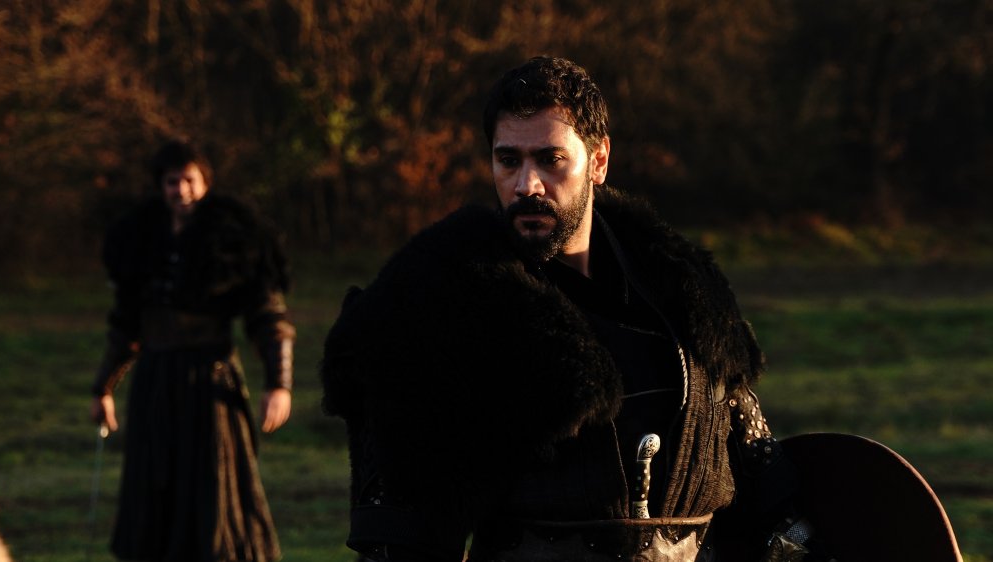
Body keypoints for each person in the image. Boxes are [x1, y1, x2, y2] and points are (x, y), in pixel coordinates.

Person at [320, 57, 812, 561]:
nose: (526, 185)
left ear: (598, 161)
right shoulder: (436, 303)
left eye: (550, 159)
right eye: (508, 161)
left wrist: (800, 535)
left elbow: (757, 460)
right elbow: (397, 525)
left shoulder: (680, 289)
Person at [90, 140, 295, 561]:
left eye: (189, 180)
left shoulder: (234, 238)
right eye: (172, 182)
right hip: (155, 382)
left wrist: (279, 384)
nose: (181, 190)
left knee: (212, 491)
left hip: (209, 383)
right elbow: (126, 326)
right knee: (153, 493)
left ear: (205, 183)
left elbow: (268, 317)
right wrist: (103, 388)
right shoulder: (140, 237)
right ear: (160, 186)